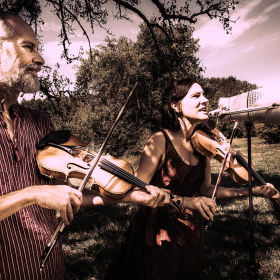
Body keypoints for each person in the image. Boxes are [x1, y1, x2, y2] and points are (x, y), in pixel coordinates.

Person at [0, 11, 171, 280]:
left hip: (50, 268)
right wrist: (29, 194)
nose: (40, 59)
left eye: (38, 48)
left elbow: (69, 192)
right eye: (28, 47)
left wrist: (130, 195)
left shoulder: (40, 122)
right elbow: (36, 194)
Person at [103, 77, 279, 280]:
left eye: (204, 95)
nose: (205, 100)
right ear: (175, 105)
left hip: (190, 229)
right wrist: (184, 201)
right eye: (196, 95)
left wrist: (252, 191)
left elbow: (206, 190)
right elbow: (136, 189)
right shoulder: (160, 140)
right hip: (159, 230)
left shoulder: (203, 144)